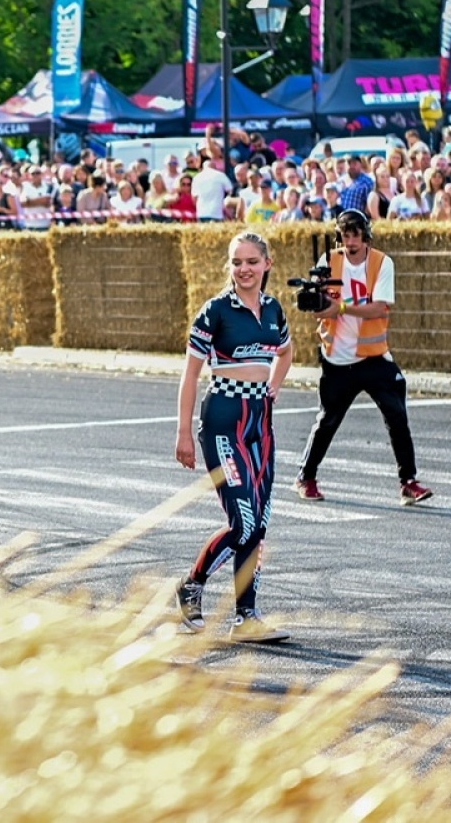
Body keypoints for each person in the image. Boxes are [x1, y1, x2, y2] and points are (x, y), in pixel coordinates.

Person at [174, 232, 293, 643]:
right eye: (236, 262)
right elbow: (190, 375)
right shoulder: (215, 312)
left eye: (251, 262)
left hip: (261, 424)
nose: (243, 269)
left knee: (258, 524)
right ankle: (192, 585)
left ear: (267, 264)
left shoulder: (274, 310)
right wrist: (184, 433)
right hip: (223, 421)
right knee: (243, 523)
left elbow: (287, 352)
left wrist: (273, 385)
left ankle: (246, 618)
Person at [292, 209, 434, 505]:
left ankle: (408, 481)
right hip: (337, 359)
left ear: (365, 235)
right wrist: (319, 304)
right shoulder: (328, 261)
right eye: (346, 235)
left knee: (397, 415)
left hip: (373, 356)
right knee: (328, 420)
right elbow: (318, 309)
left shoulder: (382, 263)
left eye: (356, 234)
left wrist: (341, 308)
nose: (351, 241)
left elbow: (380, 308)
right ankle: (306, 476)